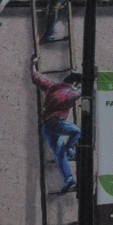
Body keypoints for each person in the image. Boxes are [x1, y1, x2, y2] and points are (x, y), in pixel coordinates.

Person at [32, 60, 81, 192]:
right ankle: (70, 149)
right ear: (75, 83)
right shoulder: (71, 93)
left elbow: (37, 78)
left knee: (59, 153)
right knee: (77, 131)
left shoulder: (52, 86)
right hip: (56, 123)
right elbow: (80, 93)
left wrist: (33, 64)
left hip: (46, 127)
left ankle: (68, 180)